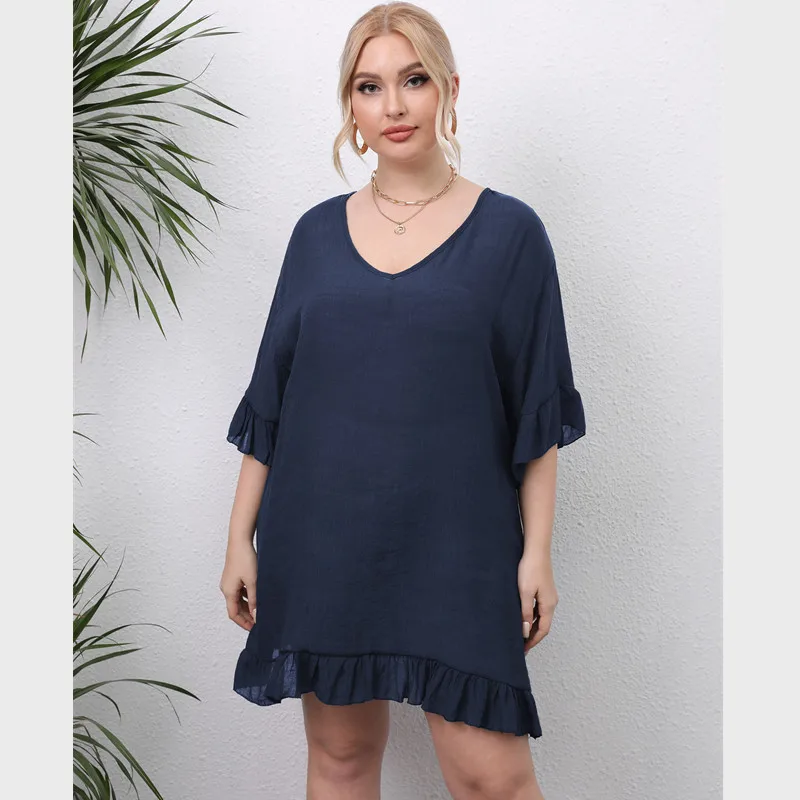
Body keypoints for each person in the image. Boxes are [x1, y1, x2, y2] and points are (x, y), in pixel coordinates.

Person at [219, 3, 587, 798]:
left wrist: (537, 554)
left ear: (449, 88)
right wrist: (239, 537)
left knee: (492, 778)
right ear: (349, 106)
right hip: (322, 535)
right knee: (341, 761)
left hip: (458, 542)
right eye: (369, 86)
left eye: (413, 80)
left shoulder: (511, 233)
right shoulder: (315, 235)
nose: (393, 105)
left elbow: (538, 410)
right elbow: (272, 401)